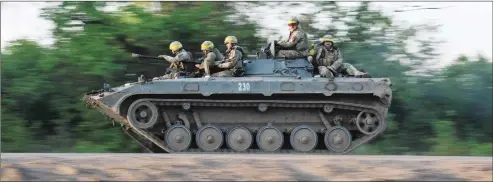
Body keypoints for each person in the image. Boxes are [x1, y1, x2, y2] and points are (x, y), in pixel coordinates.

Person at [131, 41, 196, 80]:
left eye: (172, 49)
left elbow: (173, 60)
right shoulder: (182, 54)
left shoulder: (184, 54)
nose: (172, 51)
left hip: (186, 75)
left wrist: (164, 56)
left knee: (158, 79)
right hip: (183, 74)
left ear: (175, 49)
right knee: (160, 78)